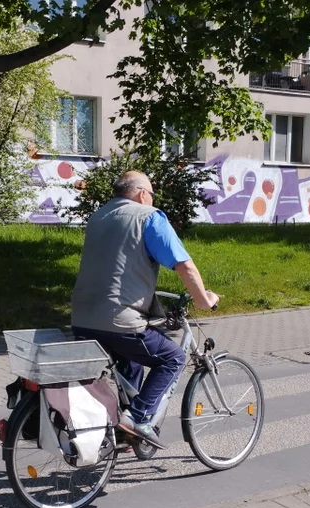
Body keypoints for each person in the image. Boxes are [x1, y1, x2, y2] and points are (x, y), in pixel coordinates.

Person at [71, 170, 219, 449]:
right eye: (151, 194)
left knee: (133, 363)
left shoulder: (98, 217)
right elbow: (184, 266)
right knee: (172, 358)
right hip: (118, 320)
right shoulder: (148, 216)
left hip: (82, 317)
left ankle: (126, 437)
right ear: (141, 194)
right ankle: (136, 419)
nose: (152, 199)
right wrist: (204, 299)